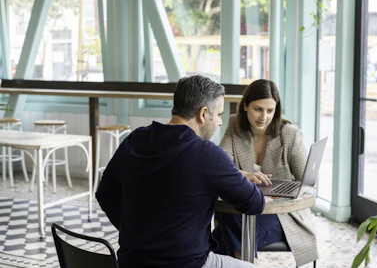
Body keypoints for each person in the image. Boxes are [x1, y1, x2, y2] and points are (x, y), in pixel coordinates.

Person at [96, 75, 264, 268]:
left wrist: (139, 236)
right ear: (203, 114)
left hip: (132, 262)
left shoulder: (134, 140)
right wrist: (235, 174)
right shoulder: (207, 154)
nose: (219, 122)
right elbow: (254, 203)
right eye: (218, 114)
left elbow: (105, 194)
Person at [211, 79, 318, 267]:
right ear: (245, 106)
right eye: (258, 109)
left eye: (270, 110)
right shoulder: (235, 124)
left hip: (280, 215)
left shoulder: (290, 134)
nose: (264, 117)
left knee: (217, 237)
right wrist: (243, 174)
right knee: (234, 218)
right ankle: (252, 264)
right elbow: (222, 164)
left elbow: (307, 184)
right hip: (244, 209)